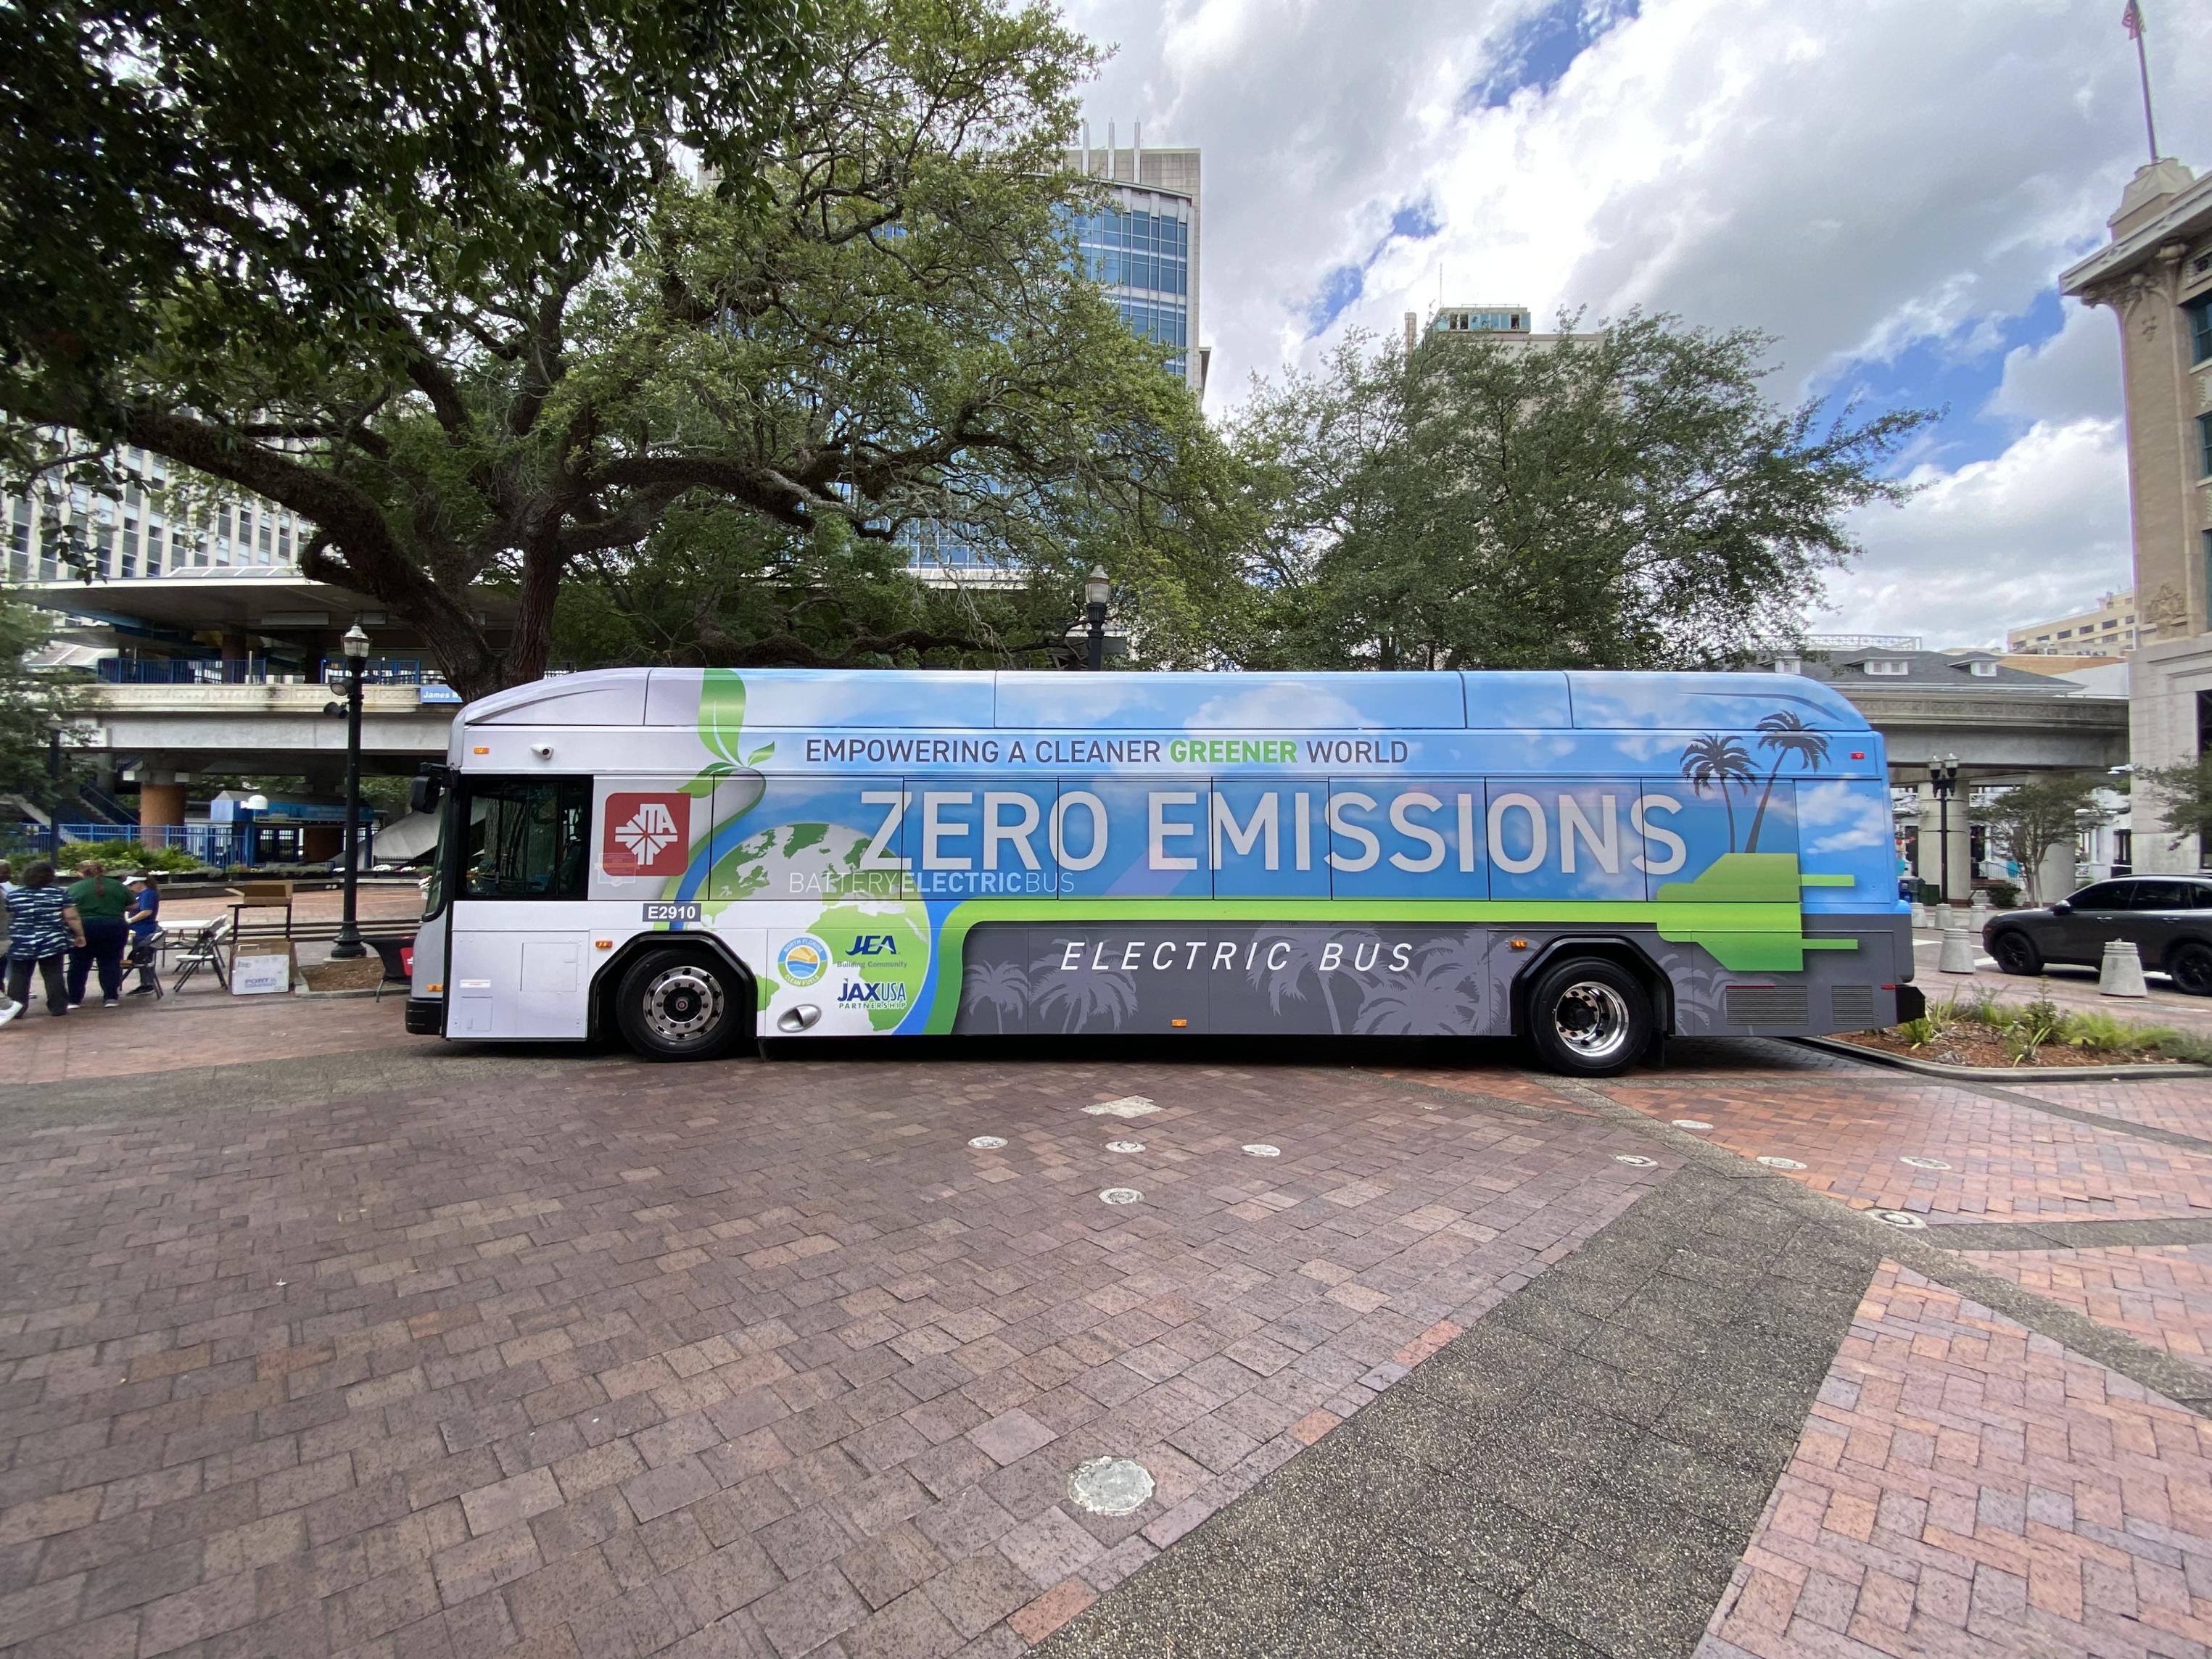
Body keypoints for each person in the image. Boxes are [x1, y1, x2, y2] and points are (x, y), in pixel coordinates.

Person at [6, 862, 85, 1019]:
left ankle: (17, 1008)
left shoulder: (14, 895)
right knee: (53, 973)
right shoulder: (58, 894)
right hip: (52, 938)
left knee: (19, 975)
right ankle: (58, 1006)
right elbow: (71, 917)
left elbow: (8, 917)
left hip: (21, 940)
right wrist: (79, 934)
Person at [65, 859, 133, 1009]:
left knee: (79, 964)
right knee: (110, 962)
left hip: (84, 928)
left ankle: (74, 999)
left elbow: (67, 910)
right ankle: (110, 997)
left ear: (80, 873)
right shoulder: (117, 886)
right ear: (103, 871)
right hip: (114, 927)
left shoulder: (74, 888)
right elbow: (133, 905)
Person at [124, 873, 162, 995]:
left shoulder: (148, 894)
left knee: (143, 957)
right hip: (139, 930)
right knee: (142, 957)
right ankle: (145, 983)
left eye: (132, 884)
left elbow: (146, 911)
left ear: (140, 883)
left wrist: (130, 921)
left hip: (144, 930)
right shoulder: (141, 895)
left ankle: (147, 984)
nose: (130, 887)